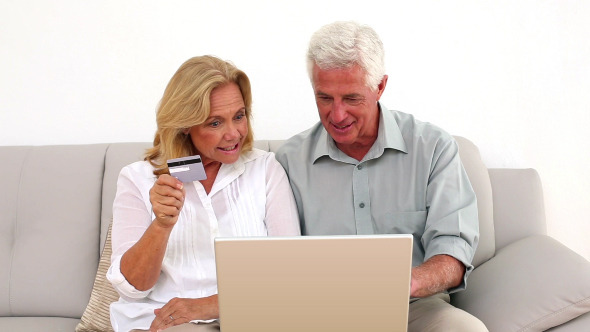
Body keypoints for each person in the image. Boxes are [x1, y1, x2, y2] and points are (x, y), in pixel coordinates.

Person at [275, 21, 488, 331]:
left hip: (414, 308)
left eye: (351, 98)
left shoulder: (433, 148)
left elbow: (453, 251)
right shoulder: (289, 162)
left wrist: (411, 282)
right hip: (322, 313)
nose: (337, 115)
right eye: (324, 98)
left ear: (380, 86)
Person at [107, 55, 300, 332]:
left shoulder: (265, 169)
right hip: (162, 322)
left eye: (239, 116)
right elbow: (132, 289)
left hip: (248, 317)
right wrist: (161, 225)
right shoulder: (137, 178)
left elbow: (290, 276)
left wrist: (212, 305)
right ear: (186, 125)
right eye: (215, 123)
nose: (234, 134)